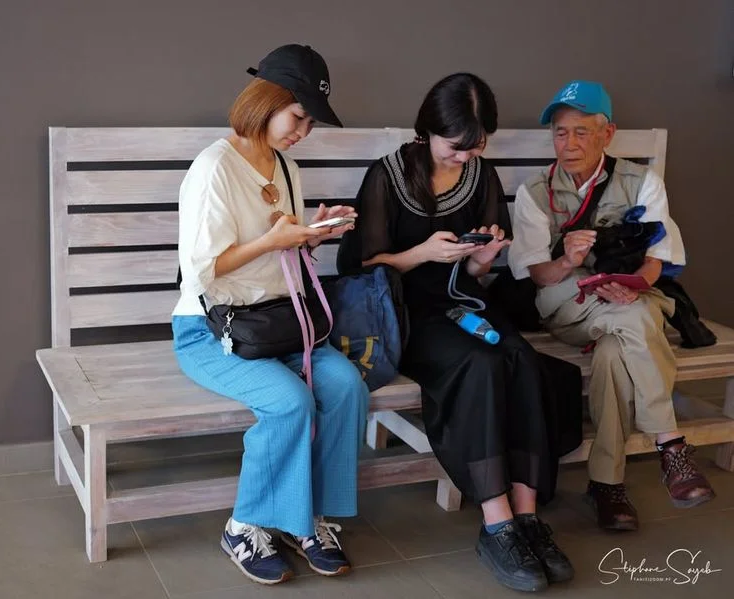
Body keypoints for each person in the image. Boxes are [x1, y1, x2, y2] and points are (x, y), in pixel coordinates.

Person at [338, 73, 574, 593]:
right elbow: (362, 263)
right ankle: (497, 524)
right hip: (403, 313)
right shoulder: (388, 175)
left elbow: (473, 275)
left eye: (476, 146)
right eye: (456, 147)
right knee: (481, 364)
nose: (465, 157)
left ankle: (529, 518)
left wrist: (483, 259)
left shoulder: (480, 176)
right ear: (427, 131)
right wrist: (424, 252)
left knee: (520, 360)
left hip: (463, 301)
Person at [172, 44, 369, 585]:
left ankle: (304, 519)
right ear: (266, 100)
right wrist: (273, 240)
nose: (302, 130)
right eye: (297, 116)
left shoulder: (285, 165)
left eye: (309, 121)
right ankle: (245, 524)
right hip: (211, 331)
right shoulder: (213, 167)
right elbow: (201, 274)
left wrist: (312, 232)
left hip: (280, 324)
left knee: (347, 387)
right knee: (289, 401)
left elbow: (284, 251)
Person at [508, 80, 715, 533]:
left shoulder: (641, 181)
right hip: (567, 306)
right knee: (636, 320)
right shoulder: (535, 191)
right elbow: (536, 275)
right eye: (561, 133)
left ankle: (607, 485)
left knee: (615, 351)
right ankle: (671, 444)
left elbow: (658, 260)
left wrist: (633, 285)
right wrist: (568, 259)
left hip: (630, 299)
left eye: (582, 131)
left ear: (608, 133)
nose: (570, 143)